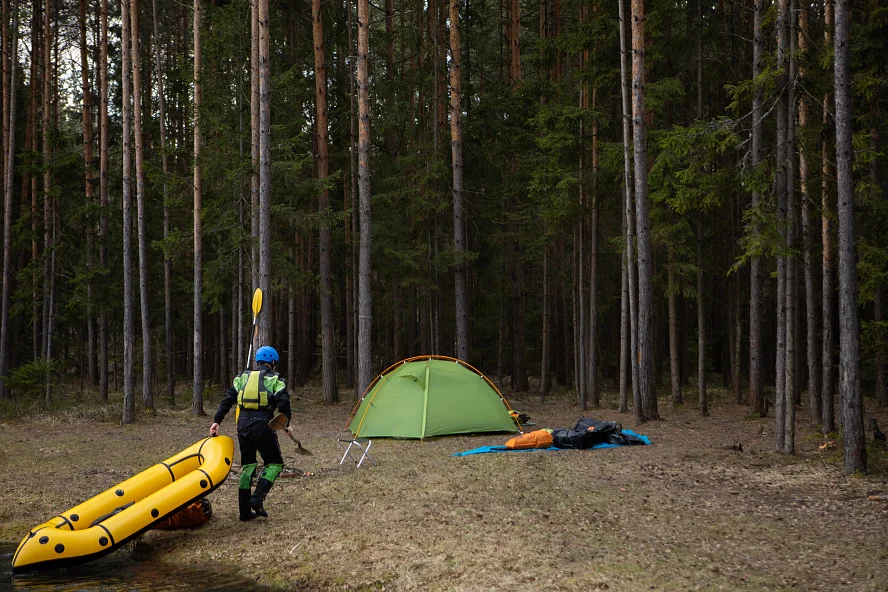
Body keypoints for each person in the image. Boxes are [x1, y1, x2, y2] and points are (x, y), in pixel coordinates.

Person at [210, 345, 291, 521]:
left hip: (243, 424)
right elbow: (283, 402)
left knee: (248, 464)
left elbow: (227, 400)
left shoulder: (242, 377)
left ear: (258, 361)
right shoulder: (274, 379)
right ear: (273, 362)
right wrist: (286, 423)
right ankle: (257, 498)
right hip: (263, 424)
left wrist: (217, 421)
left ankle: (244, 512)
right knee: (275, 463)